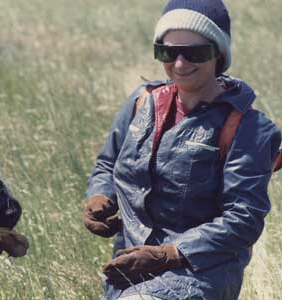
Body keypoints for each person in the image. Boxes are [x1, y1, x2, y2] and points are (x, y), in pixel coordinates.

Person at [83, 1, 282, 299]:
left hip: (201, 275)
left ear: (219, 53)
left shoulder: (248, 127)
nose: (179, 64)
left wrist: (169, 254)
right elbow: (107, 165)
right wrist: (100, 197)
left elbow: (244, 218)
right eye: (167, 51)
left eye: (194, 53)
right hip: (129, 270)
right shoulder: (142, 102)